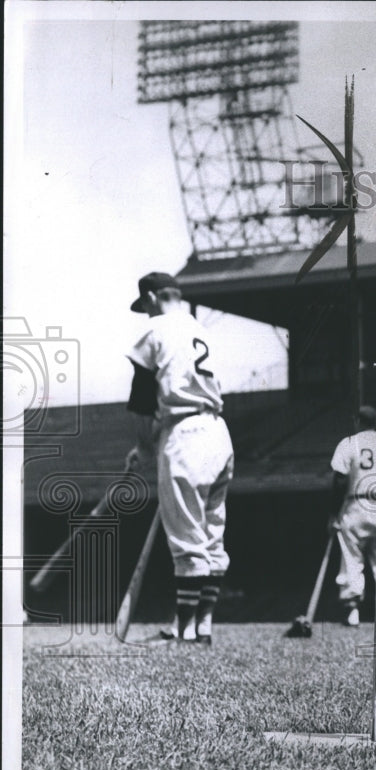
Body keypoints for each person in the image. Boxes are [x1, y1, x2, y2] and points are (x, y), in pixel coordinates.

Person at [125, 271, 234, 647]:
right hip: (219, 432)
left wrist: (143, 446)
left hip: (184, 437)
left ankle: (184, 631)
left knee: (188, 539)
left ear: (153, 298)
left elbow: (141, 398)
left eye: (145, 306)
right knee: (211, 537)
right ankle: (202, 626)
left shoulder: (155, 328)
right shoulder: (200, 330)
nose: (145, 312)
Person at [329, 404, 376, 626]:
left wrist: (333, 514)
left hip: (357, 504)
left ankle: (352, 612)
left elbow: (340, 479)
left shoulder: (349, 442)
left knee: (351, 558)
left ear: (357, 421)